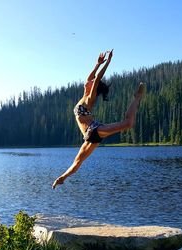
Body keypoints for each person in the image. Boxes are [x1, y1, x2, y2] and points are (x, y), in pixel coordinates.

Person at [52, 50, 146, 189]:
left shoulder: (89, 98)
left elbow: (95, 79)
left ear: (93, 88)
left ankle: (137, 97)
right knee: (77, 162)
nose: (87, 82)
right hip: (90, 136)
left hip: (93, 129)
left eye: (90, 83)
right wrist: (97, 64)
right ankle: (61, 178)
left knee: (128, 123)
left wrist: (108, 62)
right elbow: (90, 78)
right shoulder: (86, 92)